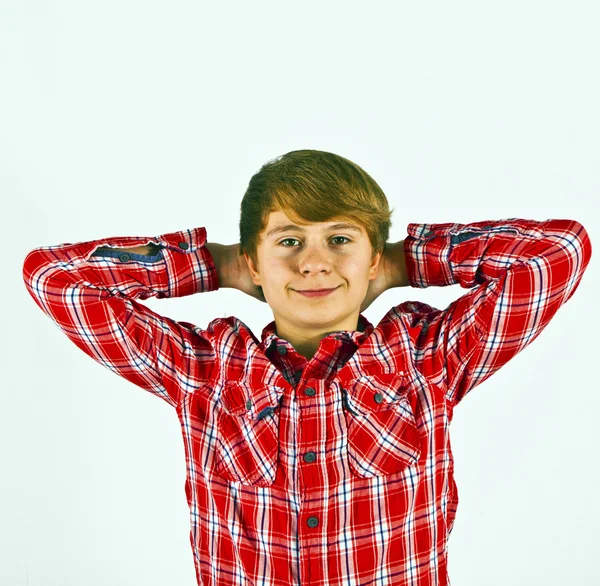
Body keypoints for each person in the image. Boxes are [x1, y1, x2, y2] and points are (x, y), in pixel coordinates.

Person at [22, 149, 592, 586]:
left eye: (339, 240)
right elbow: (55, 279)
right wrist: (213, 264)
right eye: (288, 241)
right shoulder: (203, 371)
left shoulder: (429, 359)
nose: (314, 263)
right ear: (254, 264)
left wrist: (404, 262)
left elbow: (557, 253)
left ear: (373, 259)